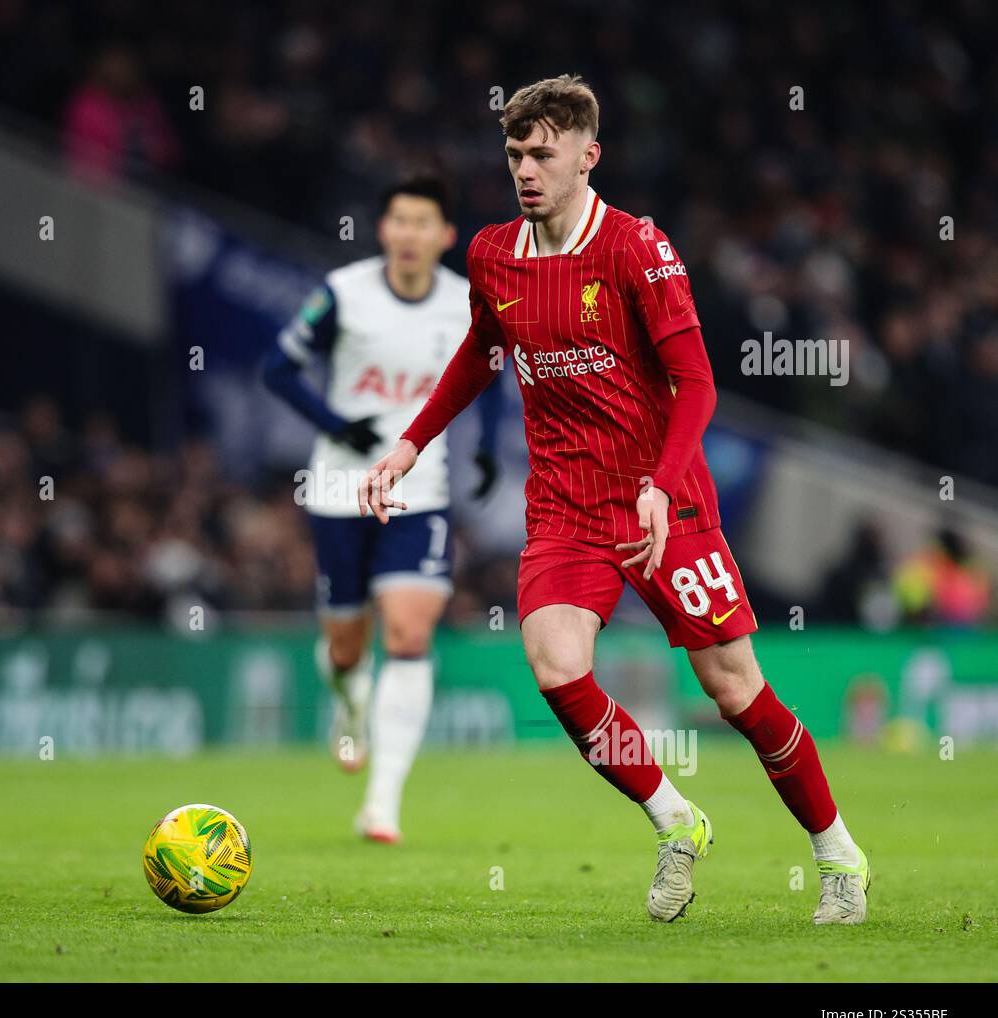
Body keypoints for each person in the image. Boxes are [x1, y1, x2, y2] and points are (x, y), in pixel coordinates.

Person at [358, 76, 870, 923]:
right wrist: (411, 443)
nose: (525, 168)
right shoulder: (492, 253)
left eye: (542, 153)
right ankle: (675, 818)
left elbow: (697, 384)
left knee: (735, 688)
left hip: (664, 502)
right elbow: (479, 353)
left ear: (587, 157)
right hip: (564, 504)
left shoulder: (635, 248)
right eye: (515, 153)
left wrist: (663, 490)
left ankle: (838, 854)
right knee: (557, 664)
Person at [263, 177, 502, 843]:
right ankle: (350, 705)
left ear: (446, 235)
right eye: (398, 220)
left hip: (419, 490)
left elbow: (488, 373)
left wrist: (485, 449)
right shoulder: (343, 293)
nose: (408, 233)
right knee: (345, 645)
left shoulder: (466, 302)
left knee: (408, 633)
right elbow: (275, 370)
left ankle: (383, 801)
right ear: (383, 230)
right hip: (340, 488)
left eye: (423, 222)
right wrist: (339, 427)